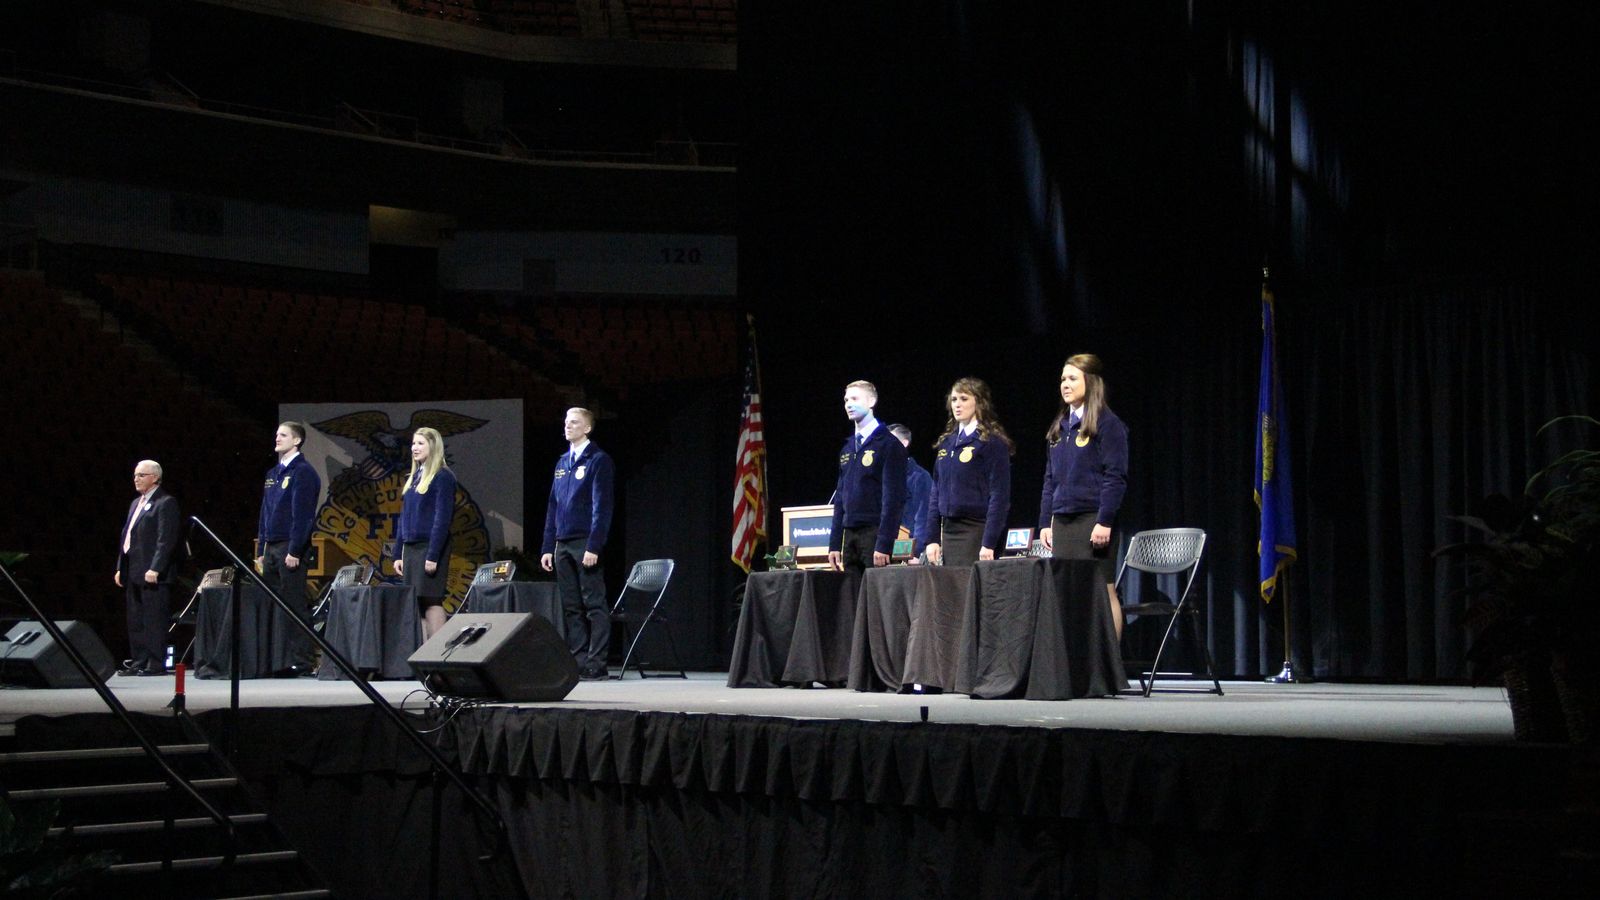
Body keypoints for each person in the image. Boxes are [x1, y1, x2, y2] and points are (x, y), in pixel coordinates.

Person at [1038, 354, 1129, 637]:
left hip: (1093, 520)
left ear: (1090, 382)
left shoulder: (1108, 424)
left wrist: (1104, 520)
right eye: (1063, 379)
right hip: (1063, 520)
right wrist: (1045, 521)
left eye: (1072, 378)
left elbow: (1115, 477)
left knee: (1103, 589)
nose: (1065, 384)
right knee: (1067, 592)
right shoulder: (1060, 428)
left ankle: (1109, 663)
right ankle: (1077, 662)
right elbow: (1049, 480)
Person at [540, 407, 615, 680]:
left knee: (594, 603)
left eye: (574, 422)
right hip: (563, 542)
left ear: (587, 428)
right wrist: (548, 546)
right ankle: (578, 660)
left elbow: (602, 507)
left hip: (585, 541)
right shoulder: (562, 463)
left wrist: (594, 546)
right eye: (566, 422)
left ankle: (597, 663)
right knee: (571, 606)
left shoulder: (598, 460)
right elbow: (553, 507)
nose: (568, 426)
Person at [919, 378, 1014, 568]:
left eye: (963, 399)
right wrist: (932, 538)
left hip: (975, 530)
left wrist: (989, 542)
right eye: (954, 400)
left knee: (970, 592)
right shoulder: (947, 443)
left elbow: (999, 496)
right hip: (948, 531)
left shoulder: (991, 442)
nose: (957, 405)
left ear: (979, 402)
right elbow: (935, 492)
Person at [256, 421, 321, 674]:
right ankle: (277, 659)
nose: (277, 438)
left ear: (297, 441)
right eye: (276, 434)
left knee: (293, 604)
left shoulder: (303, 472)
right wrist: (261, 548)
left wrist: (295, 550)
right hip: (271, 547)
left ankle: (302, 661)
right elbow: (265, 512)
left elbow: (303, 516)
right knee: (272, 605)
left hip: (289, 548)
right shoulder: (273, 474)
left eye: (283, 435)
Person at [828, 381, 907, 574]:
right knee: (852, 598)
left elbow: (893, 499)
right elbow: (840, 498)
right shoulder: (848, 448)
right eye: (846, 400)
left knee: (875, 599)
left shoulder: (888, 445)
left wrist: (884, 542)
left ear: (872, 401)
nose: (848, 404)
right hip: (850, 535)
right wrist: (835, 543)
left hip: (874, 533)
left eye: (855, 399)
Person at [114, 459, 180, 676]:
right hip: (132, 569)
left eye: (141, 475)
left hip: (153, 573)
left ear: (155, 478)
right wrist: (120, 567)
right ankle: (139, 660)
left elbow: (165, 540)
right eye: (135, 475)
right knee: (136, 619)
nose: (136, 479)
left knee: (154, 619)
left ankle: (155, 663)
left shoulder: (165, 502)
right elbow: (127, 536)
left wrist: (156, 568)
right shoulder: (136, 503)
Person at [392, 427, 457, 640]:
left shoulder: (442, 477)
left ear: (433, 446)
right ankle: (423, 662)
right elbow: (403, 518)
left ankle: (437, 661)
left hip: (429, 547)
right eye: (413, 443)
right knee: (416, 603)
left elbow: (442, 519)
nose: (414, 448)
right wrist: (398, 553)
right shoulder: (414, 477)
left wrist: (433, 554)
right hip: (411, 549)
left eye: (420, 443)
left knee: (431, 600)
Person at [889, 424, 933, 553]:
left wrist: (916, 551)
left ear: (904, 443)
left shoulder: (920, 476)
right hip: (879, 549)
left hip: (905, 548)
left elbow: (923, 517)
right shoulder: (879, 476)